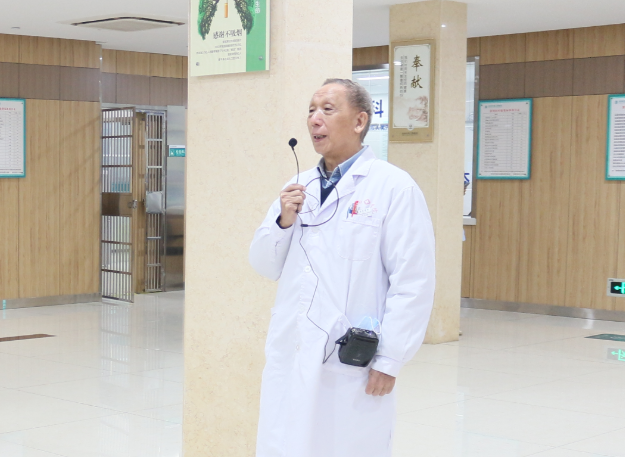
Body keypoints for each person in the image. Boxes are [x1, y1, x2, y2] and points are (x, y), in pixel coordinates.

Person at [249, 78, 436, 457]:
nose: (314, 119)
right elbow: (264, 264)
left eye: (327, 109)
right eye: (311, 110)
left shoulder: (393, 188)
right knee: (286, 441)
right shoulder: (297, 187)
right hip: (294, 349)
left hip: (352, 358)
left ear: (359, 121)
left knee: (346, 445)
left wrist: (391, 358)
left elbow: (413, 281)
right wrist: (283, 221)